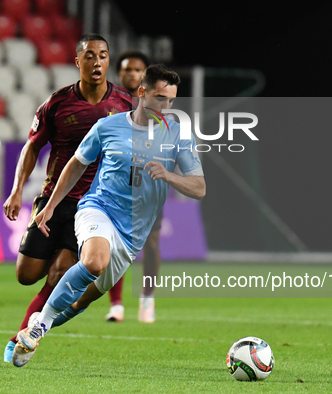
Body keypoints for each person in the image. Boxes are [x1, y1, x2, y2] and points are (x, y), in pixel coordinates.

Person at [11, 64, 205, 367]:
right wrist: (50, 205)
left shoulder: (177, 134)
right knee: (93, 261)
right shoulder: (108, 126)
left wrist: (169, 176)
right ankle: (38, 326)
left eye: (170, 101)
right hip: (97, 209)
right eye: (159, 98)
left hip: (132, 236)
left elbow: (199, 186)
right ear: (142, 93)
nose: (165, 107)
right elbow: (76, 164)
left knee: (76, 303)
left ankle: (41, 325)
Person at [2, 34, 133, 362]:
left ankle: (23, 336)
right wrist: (17, 190)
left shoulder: (126, 106)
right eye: (89, 56)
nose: (97, 62)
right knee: (25, 275)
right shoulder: (57, 104)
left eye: (103, 55)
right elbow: (32, 146)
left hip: (93, 207)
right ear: (78, 62)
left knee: (60, 273)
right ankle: (43, 307)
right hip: (54, 200)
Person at [105, 50, 162, 324]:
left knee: (150, 244)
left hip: (149, 183)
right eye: (127, 69)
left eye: (137, 69)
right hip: (117, 183)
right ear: (119, 73)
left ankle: (147, 298)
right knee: (116, 245)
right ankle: (116, 304)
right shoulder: (109, 102)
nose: (131, 73)